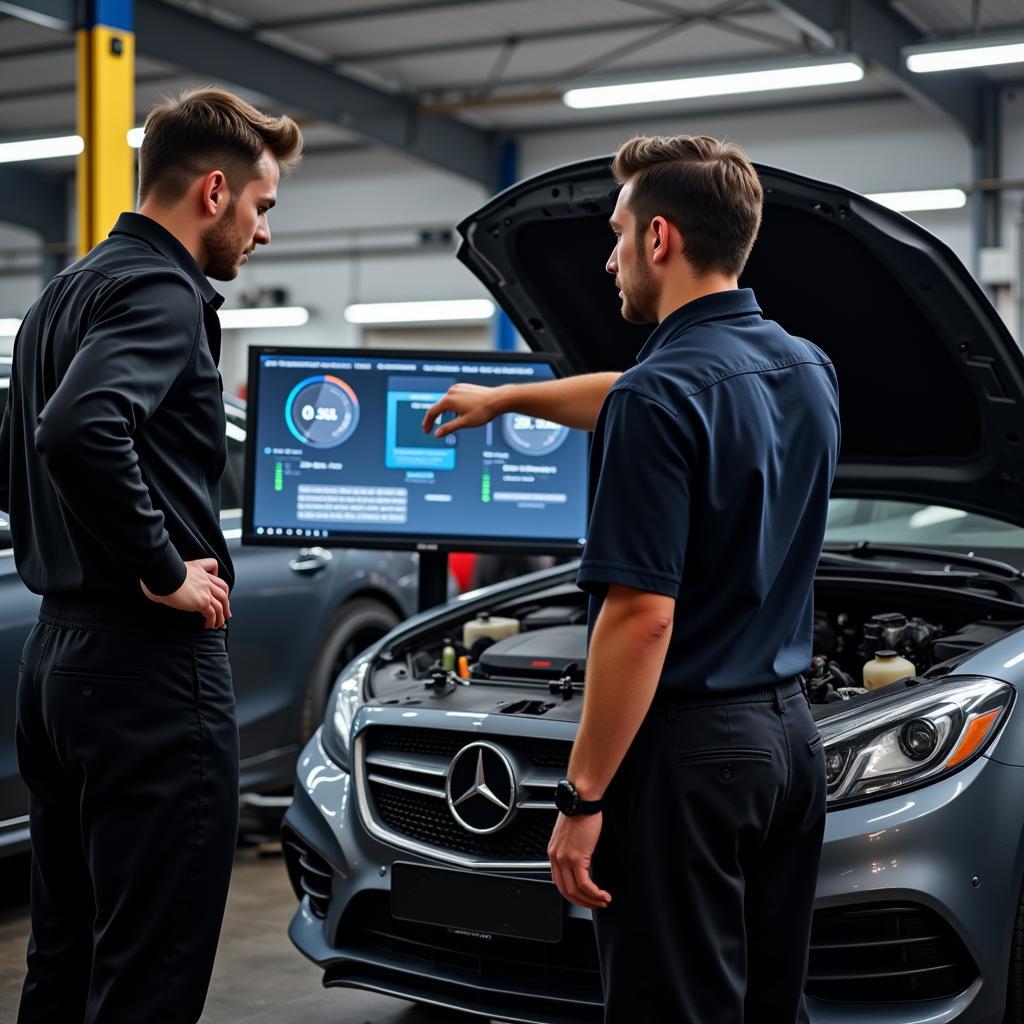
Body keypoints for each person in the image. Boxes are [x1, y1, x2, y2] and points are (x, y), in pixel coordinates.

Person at [423, 134, 839, 1023]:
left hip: (690, 763)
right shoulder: (808, 367)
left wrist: (581, 797)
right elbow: (636, 390)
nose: (607, 256)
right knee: (770, 1006)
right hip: (790, 749)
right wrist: (503, 399)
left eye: (617, 233)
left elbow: (640, 620)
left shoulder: (662, 398)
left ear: (660, 240)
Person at [0, 87, 302, 1024]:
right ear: (215, 191)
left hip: (58, 663)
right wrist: (164, 567)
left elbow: (42, 437)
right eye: (262, 208)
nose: (263, 235)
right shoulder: (164, 291)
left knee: (67, 954)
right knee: (150, 973)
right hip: (148, 678)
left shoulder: (67, 289)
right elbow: (80, 429)